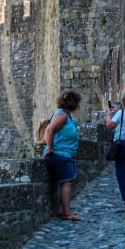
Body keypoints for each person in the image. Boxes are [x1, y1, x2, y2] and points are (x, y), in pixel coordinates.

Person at [42, 90, 82, 220]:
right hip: (59, 154)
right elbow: (49, 130)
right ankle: (67, 212)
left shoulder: (66, 115)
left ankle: (62, 208)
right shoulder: (62, 116)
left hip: (66, 154)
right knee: (67, 182)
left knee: (71, 180)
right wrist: (50, 148)